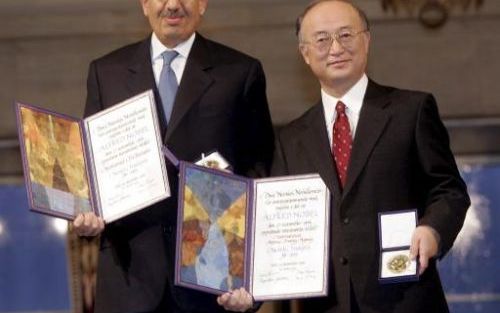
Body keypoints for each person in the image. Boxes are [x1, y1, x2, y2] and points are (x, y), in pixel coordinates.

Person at [72, 0, 274, 312]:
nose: (172, 5)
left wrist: (247, 272)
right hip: (128, 278)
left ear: (203, 4)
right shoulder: (105, 72)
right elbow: (90, 170)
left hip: (210, 280)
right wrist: (85, 209)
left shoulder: (240, 72)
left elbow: (259, 169)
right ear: (143, 4)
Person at [271, 1, 470, 312]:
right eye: (322, 39)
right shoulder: (288, 139)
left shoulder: (411, 111)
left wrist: (433, 229)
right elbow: (278, 226)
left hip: (405, 299)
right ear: (305, 53)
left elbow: (449, 191)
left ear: (366, 40)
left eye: (346, 35)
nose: (336, 48)